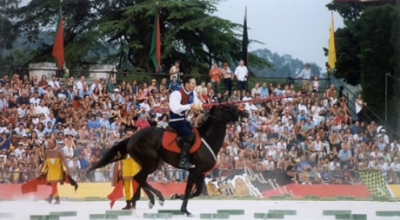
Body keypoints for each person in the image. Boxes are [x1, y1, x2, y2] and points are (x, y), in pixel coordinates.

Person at [169, 76, 202, 169]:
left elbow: (197, 104)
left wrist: (201, 107)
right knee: (189, 135)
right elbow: (175, 108)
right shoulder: (177, 93)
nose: (195, 85)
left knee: (196, 132)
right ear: (186, 84)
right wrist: (189, 106)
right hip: (176, 120)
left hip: (184, 119)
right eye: (193, 83)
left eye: (195, 83)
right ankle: (183, 161)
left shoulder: (193, 93)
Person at [111, 129, 141, 210]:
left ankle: (134, 204)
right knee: (127, 188)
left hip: (135, 168)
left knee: (135, 187)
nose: (130, 136)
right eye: (128, 134)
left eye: (131, 135)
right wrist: (119, 168)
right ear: (125, 135)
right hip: (125, 168)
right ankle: (128, 203)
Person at [40, 137, 70, 204]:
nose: (48, 144)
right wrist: (43, 170)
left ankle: (51, 198)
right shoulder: (47, 151)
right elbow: (45, 162)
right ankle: (56, 199)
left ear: (54, 143)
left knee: (54, 183)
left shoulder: (59, 152)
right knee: (53, 185)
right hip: (50, 171)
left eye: (50, 143)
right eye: (48, 143)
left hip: (57, 171)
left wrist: (65, 169)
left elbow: (63, 162)